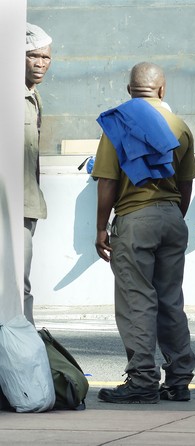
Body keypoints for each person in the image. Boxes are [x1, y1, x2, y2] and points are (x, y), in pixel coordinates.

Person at [92, 62, 195, 404]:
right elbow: (186, 182)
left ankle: (142, 380)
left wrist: (100, 228)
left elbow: (107, 180)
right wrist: (172, 216)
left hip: (135, 220)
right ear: (162, 90)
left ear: (129, 91)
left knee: (137, 299)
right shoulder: (180, 126)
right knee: (170, 300)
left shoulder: (118, 122)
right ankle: (179, 379)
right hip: (171, 217)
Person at [24, 23, 52, 326]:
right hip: (11, 209)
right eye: (34, 56)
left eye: (46, 58)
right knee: (18, 287)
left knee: (20, 284)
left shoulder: (33, 96)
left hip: (27, 205)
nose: (41, 63)